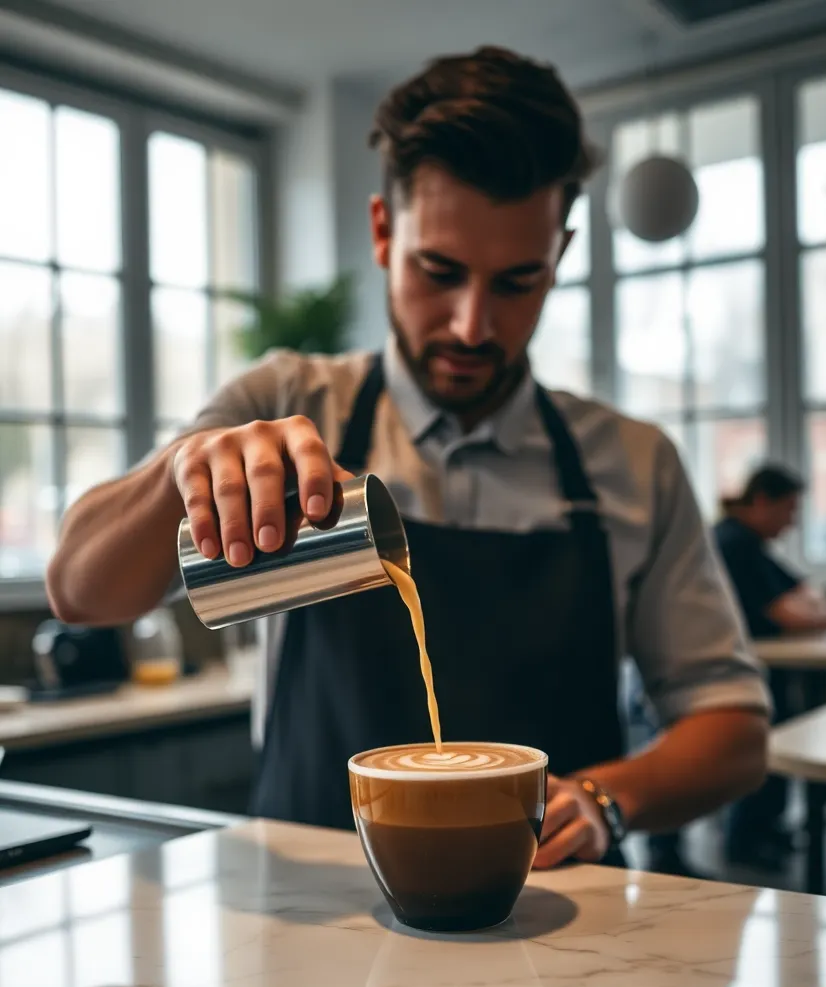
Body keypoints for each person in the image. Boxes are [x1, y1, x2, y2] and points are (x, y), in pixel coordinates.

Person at [46, 46, 769, 871]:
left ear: (560, 256)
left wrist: (607, 800)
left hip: (555, 930)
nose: (471, 325)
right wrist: (181, 469)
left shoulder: (635, 464)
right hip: (304, 924)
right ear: (385, 233)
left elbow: (734, 727)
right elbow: (80, 589)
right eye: (441, 271)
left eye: (516, 281)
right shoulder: (288, 402)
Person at [714, 464, 826, 869]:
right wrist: (818, 611)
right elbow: (795, 612)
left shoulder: (748, 542)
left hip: (759, 665)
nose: (792, 521)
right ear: (763, 500)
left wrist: (816, 607)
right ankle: (747, 840)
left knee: (772, 739)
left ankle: (763, 831)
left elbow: (807, 593)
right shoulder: (735, 543)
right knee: (760, 746)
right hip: (736, 671)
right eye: (788, 509)